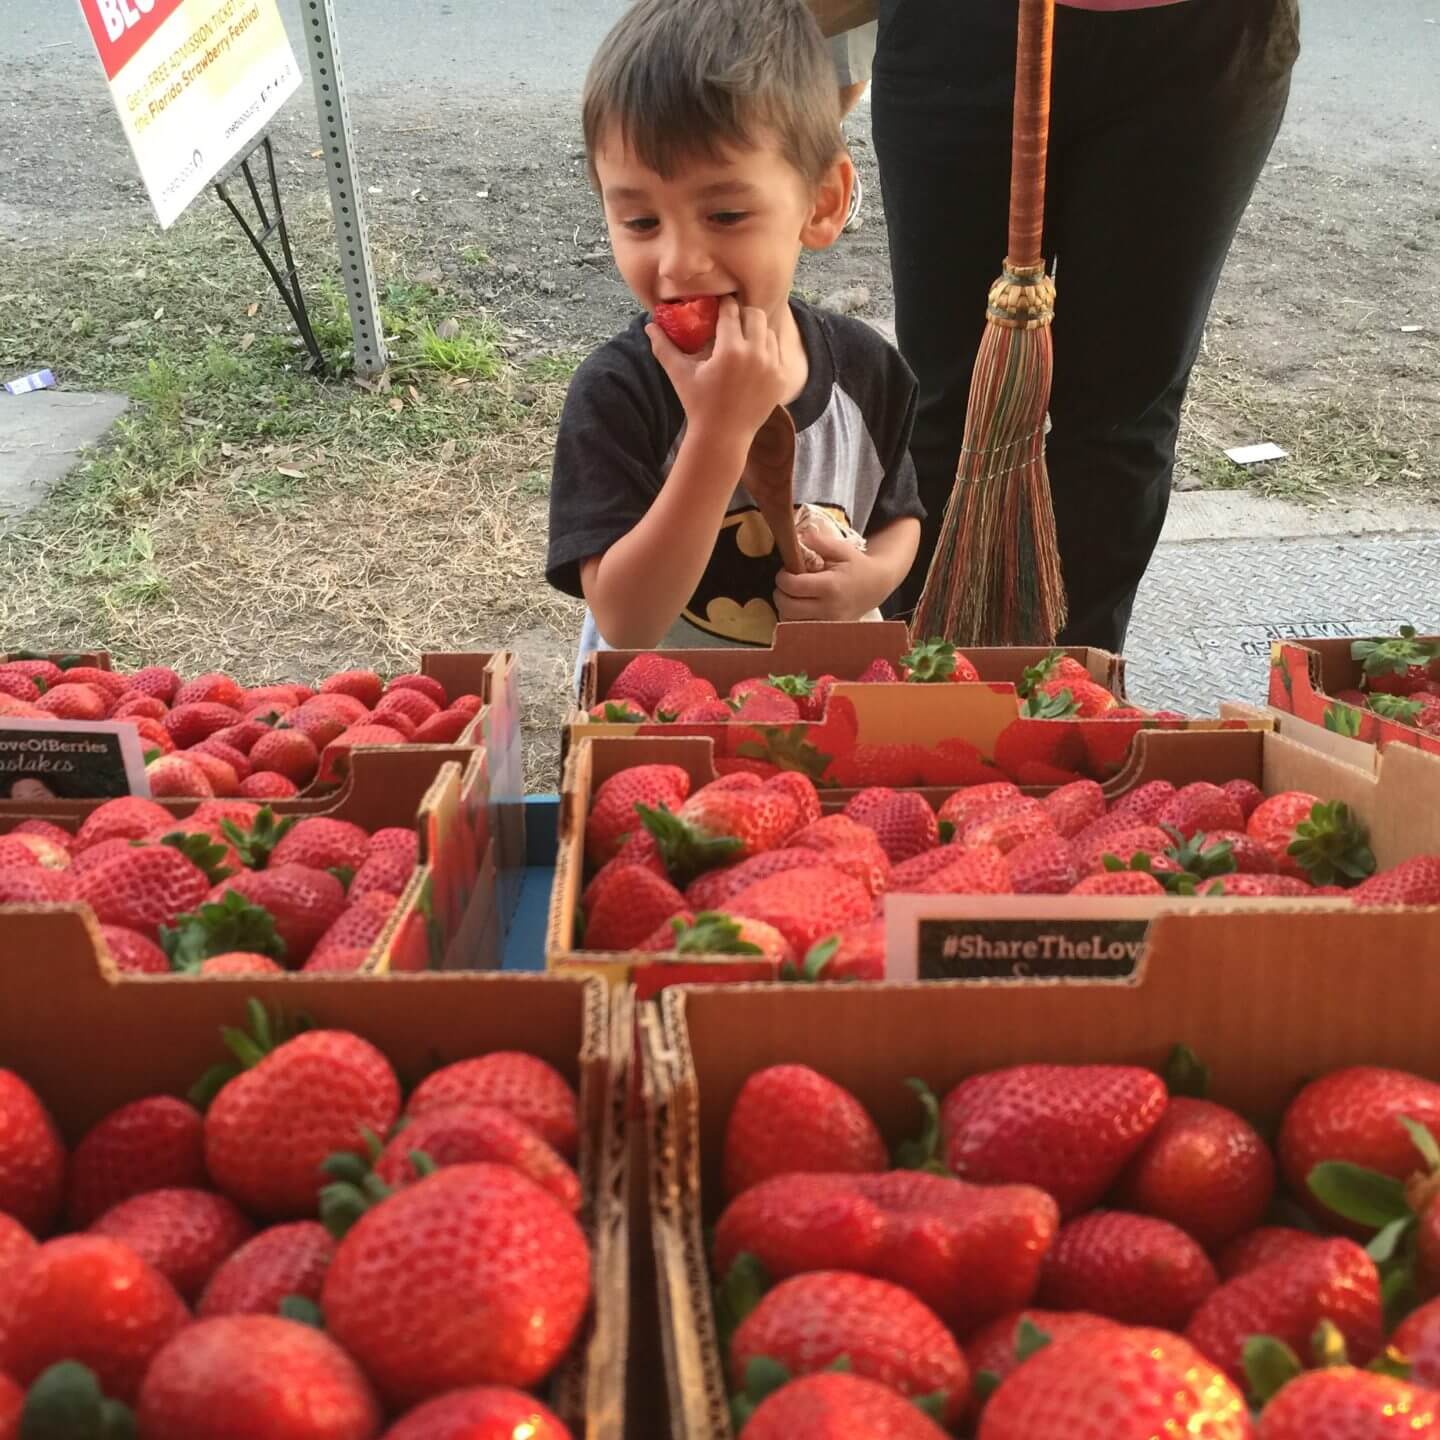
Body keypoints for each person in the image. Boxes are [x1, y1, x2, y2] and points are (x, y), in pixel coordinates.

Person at [867, 0, 1300, 651]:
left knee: (1123, 422)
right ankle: (923, 692)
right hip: (957, 29)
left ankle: (1074, 708)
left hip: (1205, 36)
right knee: (944, 409)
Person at [545, 0, 923, 675]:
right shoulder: (618, 394)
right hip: (663, 736)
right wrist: (719, 435)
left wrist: (872, 580)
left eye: (724, 213)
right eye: (639, 221)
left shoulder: (866, 371)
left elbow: (899, 515)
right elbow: (627, 621)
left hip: (821, 723)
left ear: (823, 203)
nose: (678, 263)